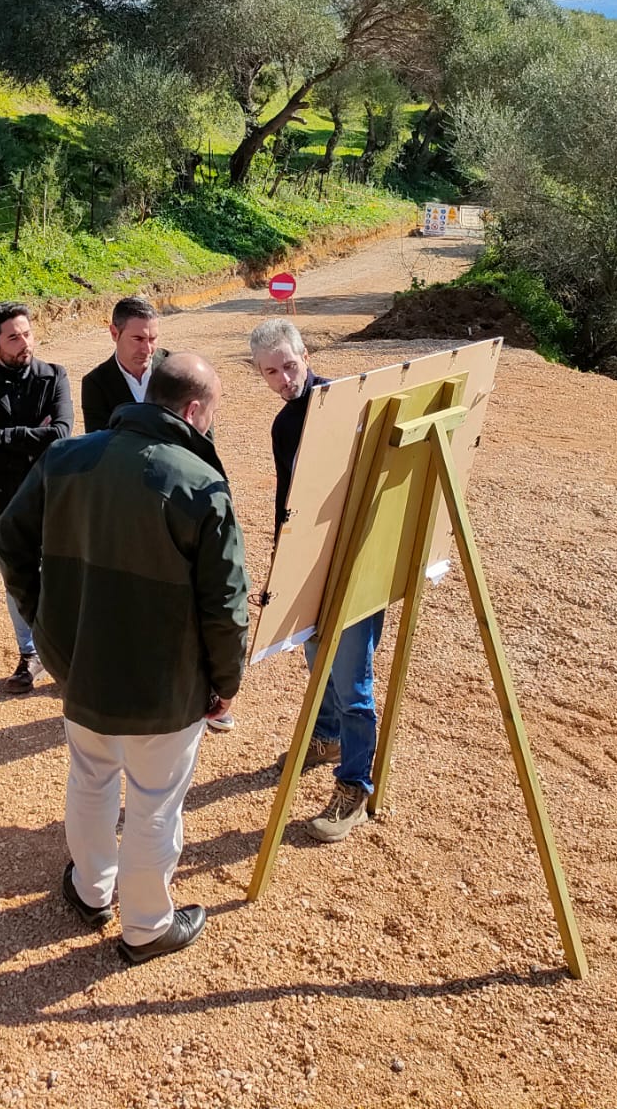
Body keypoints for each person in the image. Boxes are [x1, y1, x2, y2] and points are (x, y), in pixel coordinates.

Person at [0, 353, 249, 964]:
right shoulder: (199, 482)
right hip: (166, 684)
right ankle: (146, 926)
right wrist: (226, 681)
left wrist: (51, 628)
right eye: (211, 413)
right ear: (192, 411)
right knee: (157, 801)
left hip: (82, 665)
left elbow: (8, 539)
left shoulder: (64, 457)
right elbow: (226, 604)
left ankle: (89, 890)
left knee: (90, 778)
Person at [249, 316, 372, 843]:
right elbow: (287, 507)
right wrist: (284, 566)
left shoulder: (347, 405)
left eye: (290, 365)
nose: (284, 380)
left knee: (353, 679)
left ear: (306, 354)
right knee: (315, 655)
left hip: (358, 560)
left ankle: (356, 788)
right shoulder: (283, 424)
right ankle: (326, 738)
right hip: (308, 562)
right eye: (271, 372)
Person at [0, 300, 73, 693]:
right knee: (16, 578)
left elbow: (60, 435)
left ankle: (64, 652)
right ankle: (30, 652)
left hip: (48, 496)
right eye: (13, 337)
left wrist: (2, 436)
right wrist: (29, 436)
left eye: (27, 333)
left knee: (57, 575)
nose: (24, 342)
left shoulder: (55, 376)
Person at [78, 295, 167, 433]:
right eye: (138, 339)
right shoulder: (96, 383)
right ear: (114, 333)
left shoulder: (177, 369)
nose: (147, 350)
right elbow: (98, 445)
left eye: (152, 339)